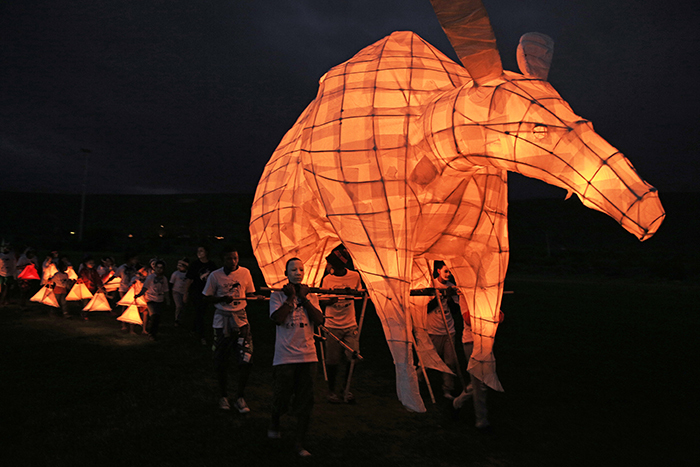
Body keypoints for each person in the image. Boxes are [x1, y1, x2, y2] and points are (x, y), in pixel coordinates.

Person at [268, 258, 325, 458]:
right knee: (282, 396)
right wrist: (291, 298)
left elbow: (319, 320)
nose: (298, 272)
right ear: (287, 273)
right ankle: (275, 420)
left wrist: (305, 299)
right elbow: (278, 319)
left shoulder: (310, 296)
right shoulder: (277, 295)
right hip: (284, 356)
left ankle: (299, 442)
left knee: (306, 401)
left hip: (308, 355)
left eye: (301, 269)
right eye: (293, 269)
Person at [202, 247, 256, 413]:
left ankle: (240, 396)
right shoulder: (215, 276)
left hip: (241, 321)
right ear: (222, 260)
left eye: (235, 258)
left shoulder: (245, 273)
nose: (233, 262)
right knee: (221, 360)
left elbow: (250, 293)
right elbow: (206, 297)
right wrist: (220, 299)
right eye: (229, 259)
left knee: (246, 359)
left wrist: (256, 297)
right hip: (222, 321)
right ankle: (223, 396)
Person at [453, 298, 504, 432]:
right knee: (479, 384)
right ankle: (481, 420)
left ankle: (458, 402)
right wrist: (484, 310)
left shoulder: (486, 295)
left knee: (481, 381)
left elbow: (500, 317)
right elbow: (468, 319)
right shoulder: (466, 296)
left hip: (486, 340)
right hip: (471, 342)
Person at [320, 248, 362, 403]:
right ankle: (332, 391)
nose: (328, 265)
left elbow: (359, 294)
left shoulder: (354, 276)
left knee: (353, 357)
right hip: (332, 324)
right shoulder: (327, 279)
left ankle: (346, 389)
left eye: (330, 262)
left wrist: (351, 293)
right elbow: (322, 299)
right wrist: (330, 301)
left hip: (350, 323)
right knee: (332, 360)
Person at [427, 261, 460, 400]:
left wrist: (450, 296)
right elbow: (426, 308)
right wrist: (439, 296)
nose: (448, 274)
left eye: (450, 272)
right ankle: (417, 378)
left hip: (448, 329)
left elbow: (455, 310)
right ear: (439, 271)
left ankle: (447, 389)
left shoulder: (451, 287)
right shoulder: (431, 285)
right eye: (446, 271)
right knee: (429, 361)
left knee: (450, 362)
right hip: (434, 329)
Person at [185, 246, 216, 345]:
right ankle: (201, 335)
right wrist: (185, 293)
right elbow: (189, 279)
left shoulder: (211, 265)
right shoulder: (195, 265)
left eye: (201, 251)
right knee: (199, 313)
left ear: (206, 252)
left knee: (202, 313)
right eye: (198, 251)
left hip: (208, 292)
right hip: (196, 292)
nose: (199, 253)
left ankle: (195, 330)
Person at [135, 259, 170, 341]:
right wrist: (139, 294)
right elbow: (145, 287)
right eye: (157, 267)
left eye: (161, 268)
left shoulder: (164, 279)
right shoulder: (150, 277)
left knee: (157, 317)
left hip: (160, 299)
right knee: (154, 315)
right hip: (151, 299)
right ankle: (151, 334)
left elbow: (166, 290)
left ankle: (154, 332)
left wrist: (167, 299)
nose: (159, 269)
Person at [77, 256, 104, 320]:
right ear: (86, 263)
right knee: (85, 301)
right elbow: (80, 277)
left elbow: (97, 279)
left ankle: (86, 312)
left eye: (93, 263)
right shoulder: (83, 271)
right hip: (85, 288)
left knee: (90, 302)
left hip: (92, 288)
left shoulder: (94, 271)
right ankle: (84, 314)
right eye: (90, 263)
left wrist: (100, 285)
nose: (92, 264)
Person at [169, 258, 188, 327]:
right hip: (176, 291)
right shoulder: (176, 274)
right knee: (179, 306)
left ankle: (182, 319)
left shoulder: (188, 274)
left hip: (184, 292)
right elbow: (171, 283)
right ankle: (176, 319)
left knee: (184, 307)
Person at [0, 242, 17, 306]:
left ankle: (6, 300)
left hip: (10, 274)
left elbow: (14, 264)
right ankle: (3, 301)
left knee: (8, 288)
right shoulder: (1, 255)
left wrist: (15, 275)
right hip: (2, 274)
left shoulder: (11, 255)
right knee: (4, 288)